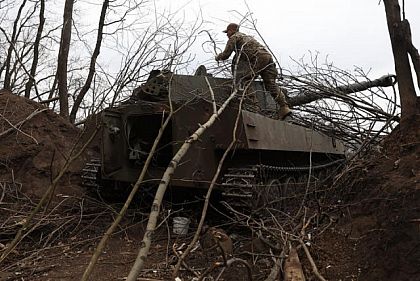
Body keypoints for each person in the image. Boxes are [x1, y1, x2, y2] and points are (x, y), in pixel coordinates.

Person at [215, 23, 292, 120]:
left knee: (244, 80)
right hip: (267, 57)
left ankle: (254, 107)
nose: (227, 34)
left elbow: (226, 54)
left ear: (232, 30)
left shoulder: (234, 37)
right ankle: (284, 107)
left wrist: (218, 57)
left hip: (257, 58)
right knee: (270, 84)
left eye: (228, 32)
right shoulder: (247, 37)